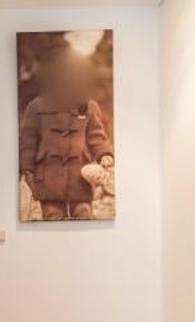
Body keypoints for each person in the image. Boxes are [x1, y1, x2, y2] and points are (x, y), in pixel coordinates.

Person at [19, 48, 114, 220]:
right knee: (53, 215)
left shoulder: (89, 106)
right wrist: (27, 169)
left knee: (83, 214)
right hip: (47, 175)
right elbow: (28, 141)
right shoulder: (36, 107)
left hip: (81, 175)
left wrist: (104, 154)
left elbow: (97, 136)